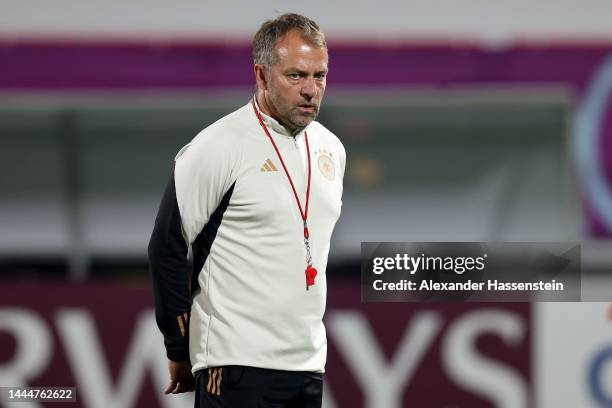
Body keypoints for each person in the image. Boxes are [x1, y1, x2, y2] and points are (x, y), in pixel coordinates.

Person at [148, 13, 346, 408]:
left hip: (307, 366)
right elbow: (166, 245)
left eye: (319, 76)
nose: (310, 89)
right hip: (236, 365)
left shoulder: (332, 149)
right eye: (296, 76)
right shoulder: (219, 146)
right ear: (261, 75)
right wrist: (178, 345)